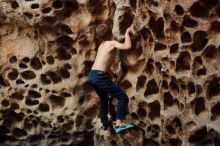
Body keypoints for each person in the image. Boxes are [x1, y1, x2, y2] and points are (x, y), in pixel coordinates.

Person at [88, 23, 134, 134]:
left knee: (104, 98)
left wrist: (113, 74)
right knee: (123, 97)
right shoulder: (112, 43)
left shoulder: (101, 46)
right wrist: (127, 34)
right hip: (100, 76)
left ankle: (105, 123)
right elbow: (127, 46)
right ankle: (119, 125)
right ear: (111, 33)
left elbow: (104, 64)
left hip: (92, 75)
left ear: (98, 37)